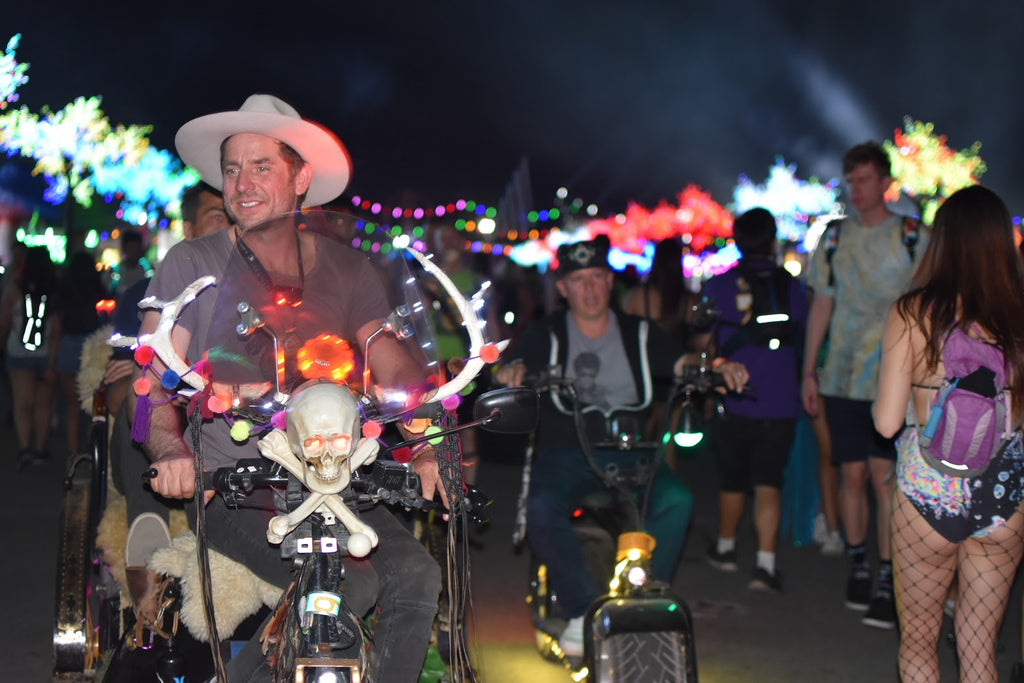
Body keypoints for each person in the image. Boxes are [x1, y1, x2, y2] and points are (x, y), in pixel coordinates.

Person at [139, 94, 445, 681]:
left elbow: (394, 366)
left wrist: (428, 438)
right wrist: (172, 452)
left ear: (301, 177)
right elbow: (150, 383)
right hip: (236, 486)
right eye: (232, 169)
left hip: (337, 475)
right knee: (349, 581)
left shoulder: (348, 269)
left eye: (261, 167)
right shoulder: (190, 263)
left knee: (418, 576)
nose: (241, 183)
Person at [495, 235, 748, 657]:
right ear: (562, 288)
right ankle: (581, 610)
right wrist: (512, 371)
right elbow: (514, 365)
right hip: (568, 449)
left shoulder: (640, 332)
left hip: (631, 450)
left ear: (611, 282)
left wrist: (719, 367)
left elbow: (684, 362)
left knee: (676, 500)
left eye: (597, 277)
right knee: (541, 507)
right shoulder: (547, 332)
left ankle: (645, 598)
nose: (590, 289)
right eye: (578, 280)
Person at [873, 185, 1024, 682]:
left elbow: (887, 423)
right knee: (979, 650)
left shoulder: (912, 312)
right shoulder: (1018, 315)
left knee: (918, 644)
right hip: (1005, 493)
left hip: (928, 493)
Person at [802, 141, 927, 630]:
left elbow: (929, 306)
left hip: (895, 377)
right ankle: (858, 562)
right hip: (842, 375)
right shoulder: (833, 239)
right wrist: (808, 370)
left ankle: (888, 577)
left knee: (885, 479)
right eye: (850, 180)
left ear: (885, 182)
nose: (857, 189)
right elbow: (822, 305)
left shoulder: (915, 236)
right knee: (850, 475)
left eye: (865, 179)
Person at [698, 207, 808, 592]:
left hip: (735, 395)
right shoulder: (791, 286)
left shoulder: (720, 285)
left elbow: (703, 339)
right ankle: (765, 563)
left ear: (738, 240)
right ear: (772, 239)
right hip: (779, 399)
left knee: (732, 480)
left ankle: (726, 549)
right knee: (768, 481)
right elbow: (803, 333)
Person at [0, 245, 59, 465]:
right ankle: (40, 450)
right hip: (46, 354)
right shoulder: (54, 290)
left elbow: (4, 322)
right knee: (43, 404)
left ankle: (24, 448)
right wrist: (52, 362)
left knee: (22, 404)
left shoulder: (15, 289)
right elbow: (57, 331)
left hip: (18, 352)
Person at [54, 251, 108, 457]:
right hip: (94, 347)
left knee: (73, 403)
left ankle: (73, 451)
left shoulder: (65, 290)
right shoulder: (97, 289)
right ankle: (94, 448)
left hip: (68, 344)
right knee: (96, 402)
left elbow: (58, 323)